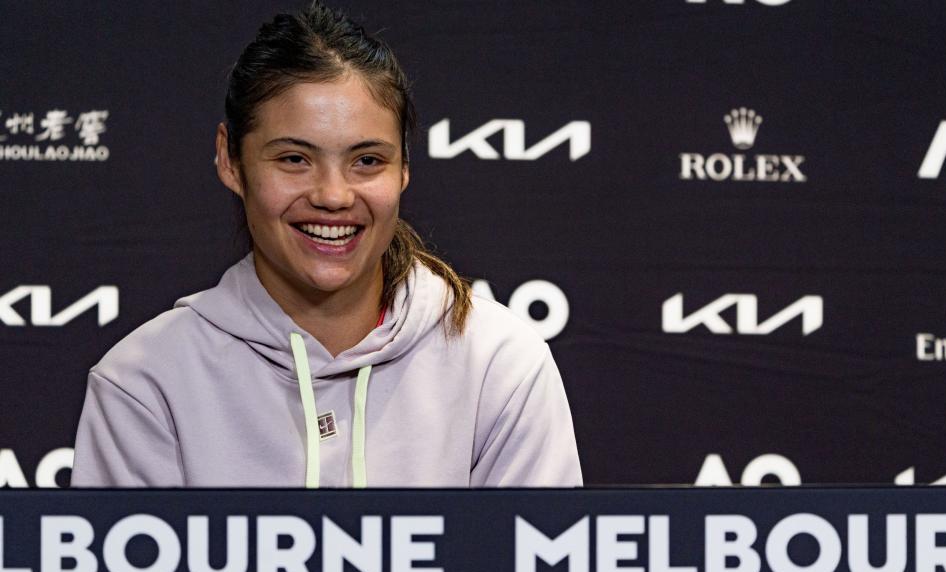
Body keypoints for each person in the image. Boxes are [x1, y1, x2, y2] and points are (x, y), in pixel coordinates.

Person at [71, 2, 581, 488]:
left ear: (405, 167)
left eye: (367, 161)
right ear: (231, 160)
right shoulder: (144, 380)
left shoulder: (500, 363)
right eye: (294, 159)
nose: (333, 196)